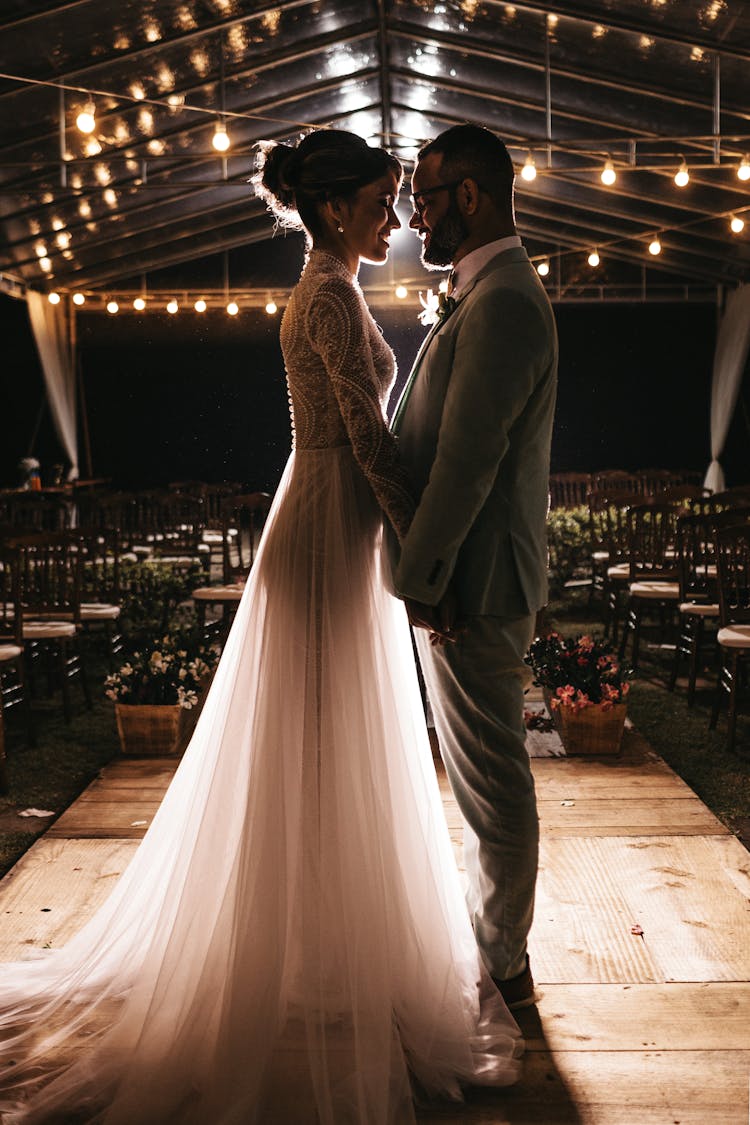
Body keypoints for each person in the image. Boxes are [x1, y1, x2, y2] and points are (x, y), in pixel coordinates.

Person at [0, 130, 522, 1125]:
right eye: (377, 200)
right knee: (324, 741)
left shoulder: (336, 285)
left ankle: (324, 947)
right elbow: (366, 439)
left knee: (330, 745)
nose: (392, 216)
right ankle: (310, 958)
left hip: (331, 522)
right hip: (326, 527)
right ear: (332, 210)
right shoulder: (327, 296)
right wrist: (426, 566)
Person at [388, 125, 558, 1009]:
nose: (416, 211)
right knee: (480, 781)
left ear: (471, 195)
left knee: (493, 787)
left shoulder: (504, 304)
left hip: (473, 586)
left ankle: (506, 968)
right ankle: (493, 949)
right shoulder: (481, 292)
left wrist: (425, 581)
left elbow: (466, 464)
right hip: (463, 578)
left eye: (427, 191)